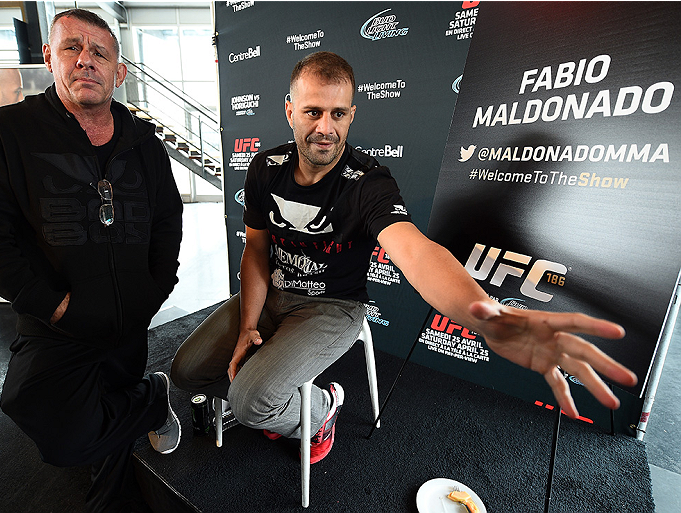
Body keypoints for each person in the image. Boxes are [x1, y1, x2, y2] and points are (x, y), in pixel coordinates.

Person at [171, 51, 637, 465]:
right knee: (185, 371)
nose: (325, 128)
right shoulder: (264, 168)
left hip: (332, 309)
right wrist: (249, 324)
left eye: (338, 113)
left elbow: (415, 251)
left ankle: (321, 410)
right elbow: (256, 249)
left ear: (352, 115)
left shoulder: (368, 180)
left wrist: (492, 319)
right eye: (312, 111)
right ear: (290, 111)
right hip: (272, 294)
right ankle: (272, 395)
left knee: (253, 404)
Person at [0, 9, 183, 513]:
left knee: (104, 426)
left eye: (100, 52)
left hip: (129, 318)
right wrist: (53, 307)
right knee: (55, 431)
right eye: (72, 47)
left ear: (119, 72)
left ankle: (113, 484)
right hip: (58, 322)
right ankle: (153, 400)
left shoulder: (144, 143)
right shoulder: (7, 133)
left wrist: (155, 288)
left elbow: (167, 219)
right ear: (50, 56)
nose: (85, 60)